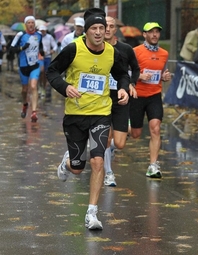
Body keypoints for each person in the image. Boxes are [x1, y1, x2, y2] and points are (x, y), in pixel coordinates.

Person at [46, 8, 130, 230]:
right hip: (75, 115)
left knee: (98, 161)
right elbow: (52, 71)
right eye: (95, 28)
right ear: (86, 30)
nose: (99, 32)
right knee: (77, 168)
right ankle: (66, 164)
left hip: (101, 113)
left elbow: (122, 73)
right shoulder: (73, 49)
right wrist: (66, 87)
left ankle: (92, 213)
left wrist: (123, 89)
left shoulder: (112, 52)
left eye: (102, 28)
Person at [130, 22, 171, 178]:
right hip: (137, 95)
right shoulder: (135, 52)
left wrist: (164, 77)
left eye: (157, 32)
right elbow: (126, 72)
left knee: (155, 127)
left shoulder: (164, 54)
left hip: (154, 95)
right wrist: (139, 76)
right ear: (144, 34)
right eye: (151, 32)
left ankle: (153, 165)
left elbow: (163, 72)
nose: (155, 35)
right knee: (136, 134)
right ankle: (117, 133)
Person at [103, 16, 140, 186]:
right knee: (105, 136)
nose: (108, 29)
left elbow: (135, 68)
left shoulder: (125, 49)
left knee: (120, 143)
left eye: (111, 26)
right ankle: (108, 173)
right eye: (105, 26)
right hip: (102, 99)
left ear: (115, 29)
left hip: (120, 99)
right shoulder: (96, 49)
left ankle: (109, 151)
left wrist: (131, 84)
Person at [10, 15, 44, 122]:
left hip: (35, 65)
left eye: (32, 23)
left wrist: (42, 52)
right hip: (23, 66)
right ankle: (25, 104)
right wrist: (22, 48)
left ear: (34, 24)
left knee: (33, 86)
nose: (31, 24)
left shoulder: (39, 35)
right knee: (24, 90)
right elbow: (11, 49)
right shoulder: (20, 35)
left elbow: (41, 46)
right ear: (25, 24)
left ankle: (34, 112)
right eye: (28, 23)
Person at [38, 25, 58, 100]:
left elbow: (55, 46)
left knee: (46, 72)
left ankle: (44, 86)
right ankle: (40, 86)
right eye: (41, 31)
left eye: (43, 31)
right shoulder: (37, 37)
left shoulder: (49, 37)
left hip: (47, 57)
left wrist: (52, 50)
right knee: (41, 71)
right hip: (39, 57)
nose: (42, 32)